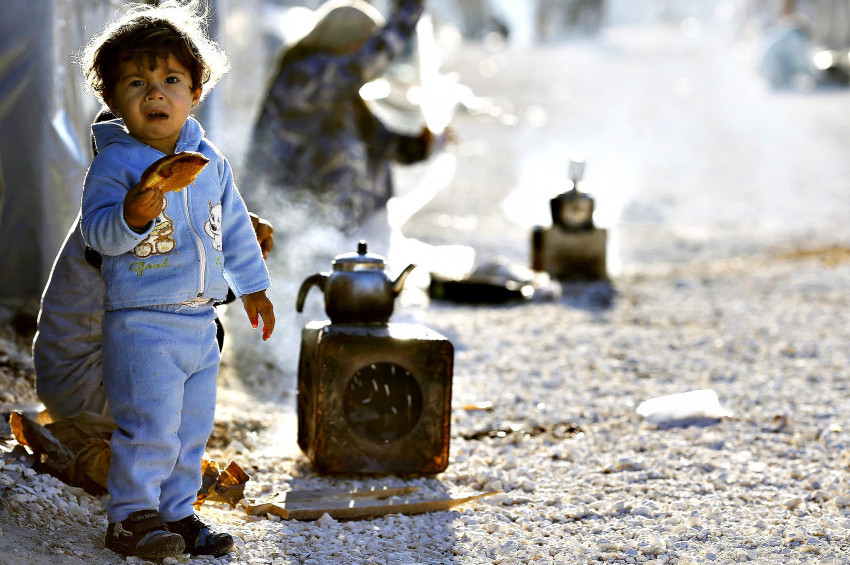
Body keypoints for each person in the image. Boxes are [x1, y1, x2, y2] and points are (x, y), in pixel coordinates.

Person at [76, 0, 274, 559]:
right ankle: (130, 518)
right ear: (113, 100)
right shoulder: (115, 166)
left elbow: (233, 228)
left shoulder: (208, 162)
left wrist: (254, 287)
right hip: (141, 322)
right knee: (149, 427)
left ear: (195, 93)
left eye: (170, 80)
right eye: (136, 83)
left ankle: (177, 513)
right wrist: (135, 213)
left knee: (191, 429)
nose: (155, 94)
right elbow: (99, 236)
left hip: (199, 319)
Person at [33, 108, 275, 422]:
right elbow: (181, 291)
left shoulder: (128, 206)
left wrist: (237, 235)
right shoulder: (119, 222)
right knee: (195, 328)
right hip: (85, 387)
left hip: (79, 381)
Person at [243, 0, 440, 232]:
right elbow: (362, 65)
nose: (364, 51)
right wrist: (408, 14)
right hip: (288, 223)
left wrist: (421, 146)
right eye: (365, 43)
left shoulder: (341, 94)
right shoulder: (303, 77)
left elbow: (377, 143)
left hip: (338, 233)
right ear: (344, 39)